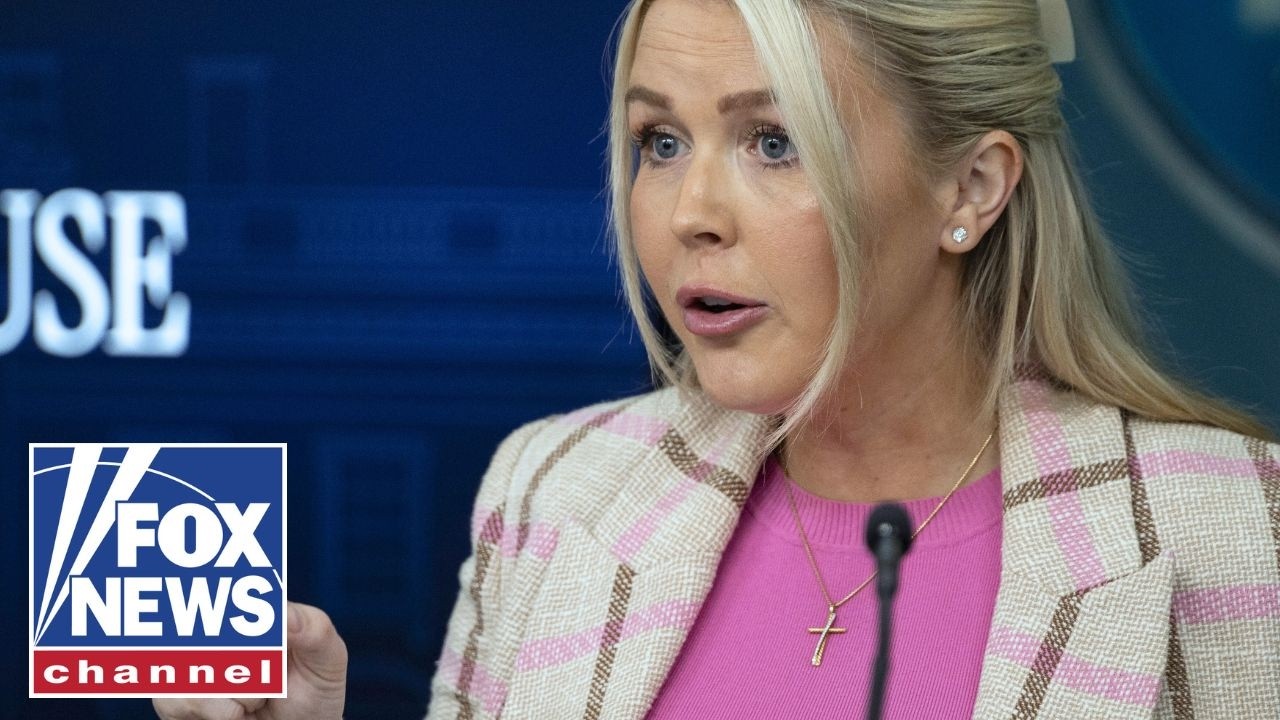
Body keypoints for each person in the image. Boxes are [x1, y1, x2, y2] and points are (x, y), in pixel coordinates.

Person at [155, 0, 1280, 719]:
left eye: (772, 141)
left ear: (971, 186)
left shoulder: (1236, 528)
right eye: (658, 141)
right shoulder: (550, 492)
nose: (689, 212)